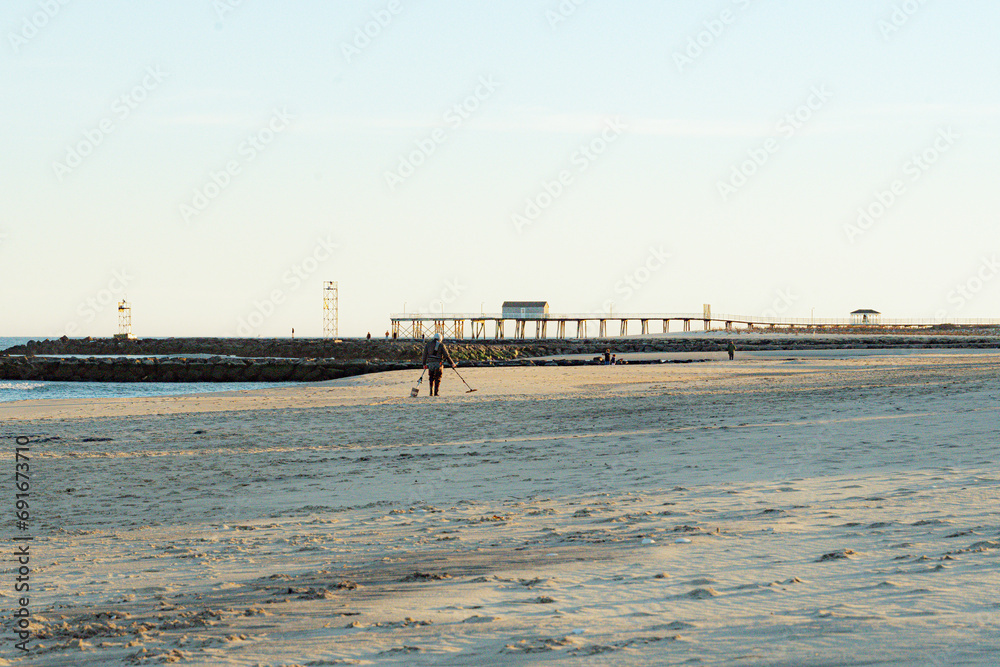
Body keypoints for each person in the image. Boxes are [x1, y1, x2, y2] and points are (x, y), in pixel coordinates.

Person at [422, 332, 455, 396]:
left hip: (430, 364)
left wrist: (424, 364)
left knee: (431, 378)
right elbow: (447, 356)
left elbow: (424, 355)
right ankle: (436, 392)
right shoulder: (441, 345)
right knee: (438, 378)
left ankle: (431, 392)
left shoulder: (428, 344)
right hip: (438, 364)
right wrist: (452, 363)